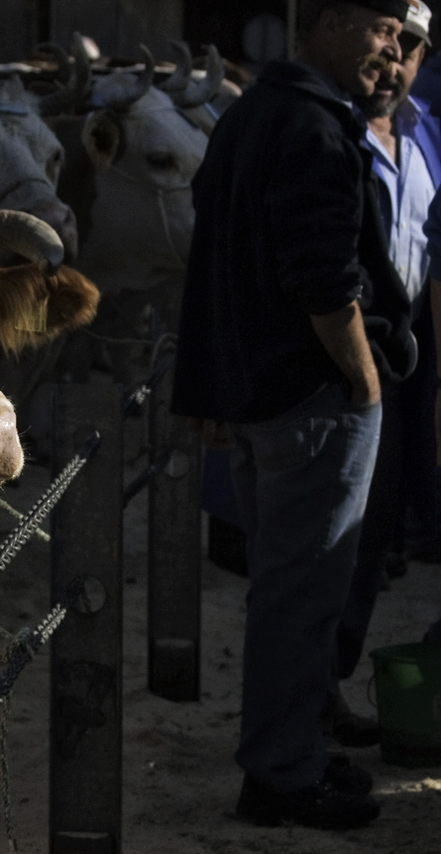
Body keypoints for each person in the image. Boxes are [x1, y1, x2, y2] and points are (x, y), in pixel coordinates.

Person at [172, 0, 417, 831]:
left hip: (258, 396)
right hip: (311, 400)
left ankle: (297, 747)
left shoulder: (252, 112)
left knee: (289, 588)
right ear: (322, 23)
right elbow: (324, 278)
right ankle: (281, 777)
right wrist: (365, 379)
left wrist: (208, 388)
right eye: (379, 26)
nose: (392, 46)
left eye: (401, 36)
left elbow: (210, 258)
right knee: (302, 592)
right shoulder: (314, 129)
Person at [327, 0, 441, 745]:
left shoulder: (428, 133)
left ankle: (328, 687)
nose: (399, 63)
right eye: (391, 44)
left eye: (415, 48)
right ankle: (312, 697)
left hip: (406, 368)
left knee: (371, 539)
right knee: (329, 539)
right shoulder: (328, 128)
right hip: (336, 365)